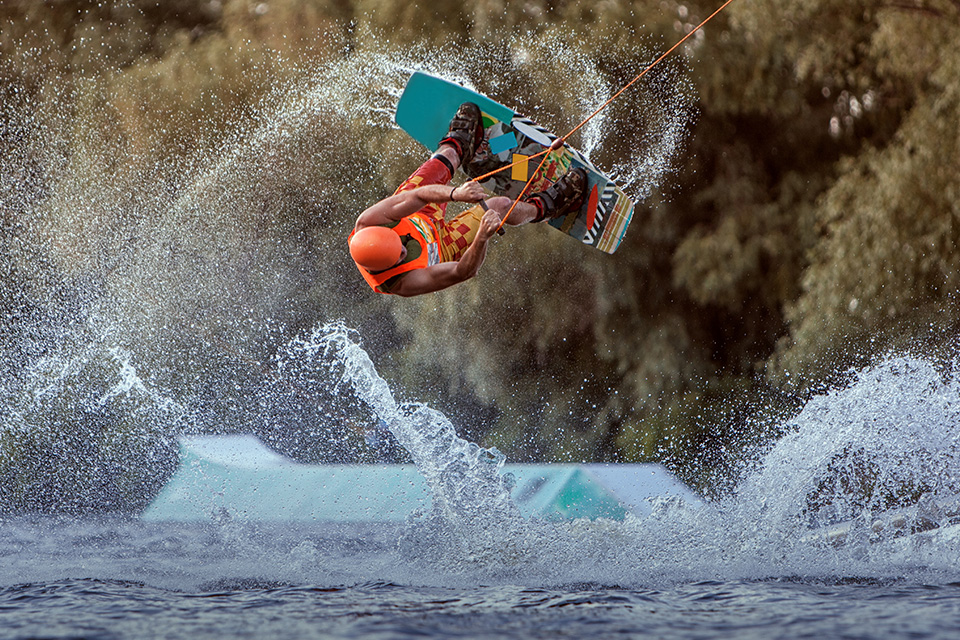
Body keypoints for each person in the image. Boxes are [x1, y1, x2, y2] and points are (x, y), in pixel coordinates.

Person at [349, 102, 588, 296]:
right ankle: (547, 206)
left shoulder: (369, 221)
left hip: (418, 213)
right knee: (499, 207)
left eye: (399, 243)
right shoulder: (403, 283)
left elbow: (418, 195)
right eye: (401, 255)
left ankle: (462, 145)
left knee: (444, 160)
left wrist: (457, 194)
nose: (404, 249)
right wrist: (482, 237)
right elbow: (462, 272)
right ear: (386, 266)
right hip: (442, 246)